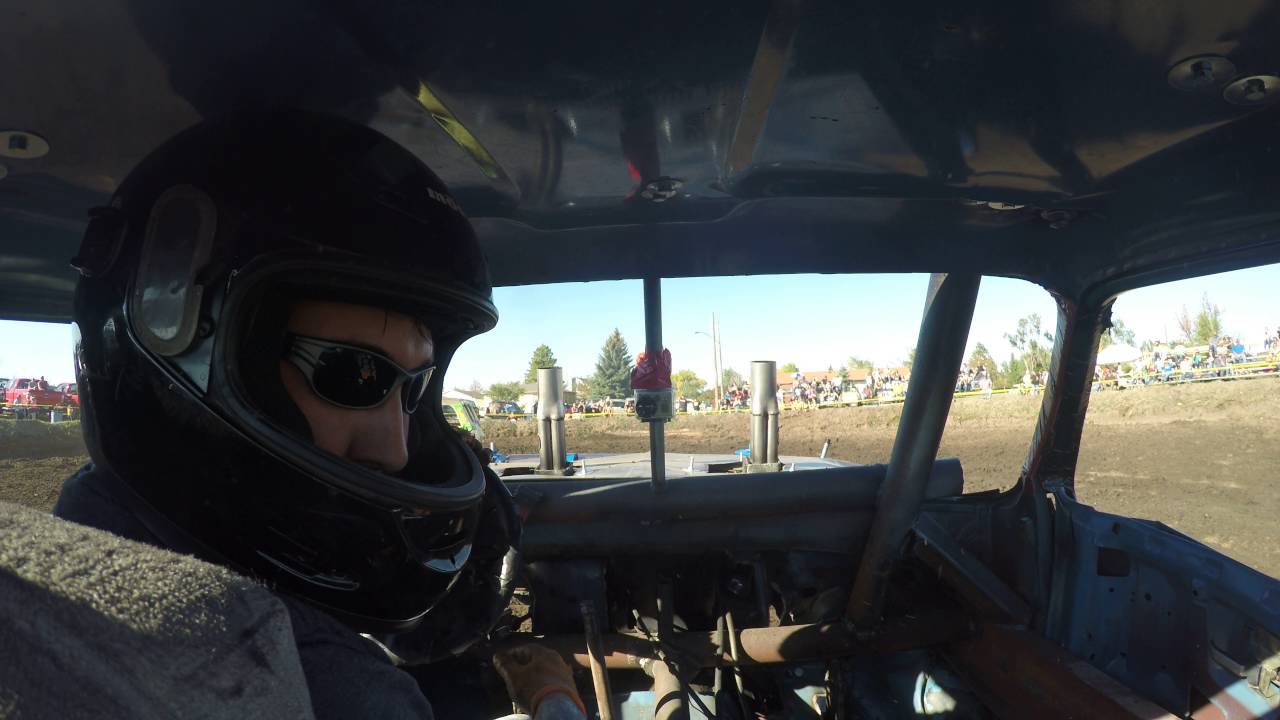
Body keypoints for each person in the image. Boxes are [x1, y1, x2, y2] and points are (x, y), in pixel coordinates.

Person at [52, 110, 575, 719]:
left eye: (416, 386)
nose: (398, 450)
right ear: (182, 353)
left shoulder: (74, 551)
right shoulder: (337, 694)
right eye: (354, 374)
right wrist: (555, 697)